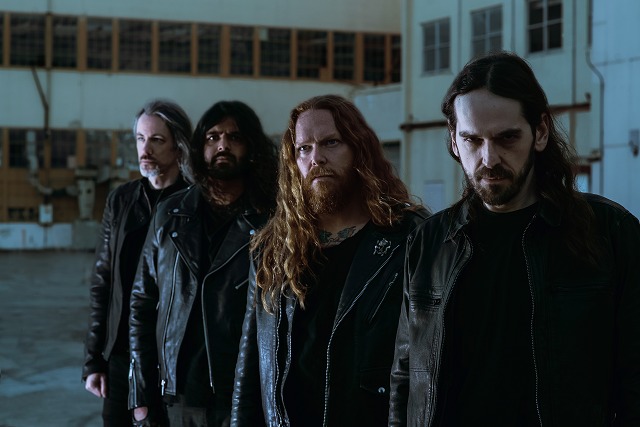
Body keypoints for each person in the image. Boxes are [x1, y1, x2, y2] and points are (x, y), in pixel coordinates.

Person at [389, 51, 640, 426]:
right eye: (472, 140)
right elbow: (405, 378)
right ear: (454, 141)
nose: (489, 159)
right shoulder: (428, 243)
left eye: (506, 138)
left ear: (540, 132)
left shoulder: (609, 232)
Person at [231, 94, 429, 427]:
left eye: (331, 143)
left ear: (359, 149)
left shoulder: (409, 237)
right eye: (303, 149)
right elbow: (251, 363)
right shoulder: (273, 247)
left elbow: (426, 362)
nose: (316, 158)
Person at [128, 100, 278, 427]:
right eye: (213, 137)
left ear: (252, 148)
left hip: (240, 398)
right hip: (176, 397)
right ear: (199, 148)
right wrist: (140, 395)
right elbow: (141, 303)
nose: (222, 145)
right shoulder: (170, 214)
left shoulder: (273, 221)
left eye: (234, 137)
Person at [82, 99, 192, 427]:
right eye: (141, 139)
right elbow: (103, 282)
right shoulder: (121, 200)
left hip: (170, 359)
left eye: (157, 140)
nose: (146, 149)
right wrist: (94, 359)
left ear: (178, 146)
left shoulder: (195, 203)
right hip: (119, 357)